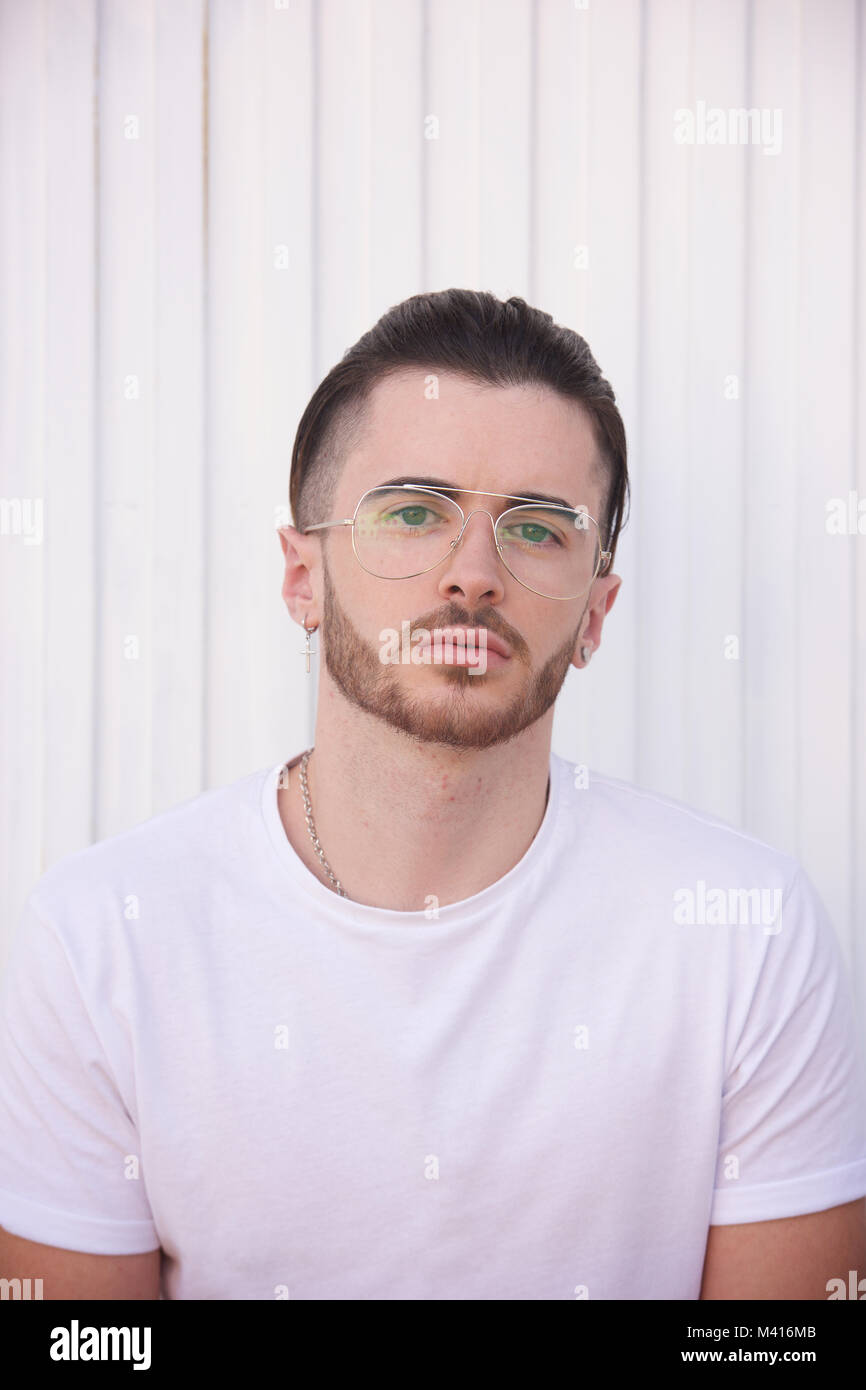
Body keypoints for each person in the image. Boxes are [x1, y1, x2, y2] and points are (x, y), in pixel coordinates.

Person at [1, 289, 864, 1301]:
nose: (473, 575)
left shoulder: (744, 935)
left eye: (537, 529)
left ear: (595, 613)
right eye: (413, 513)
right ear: (302, 576)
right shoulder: (101, 939)